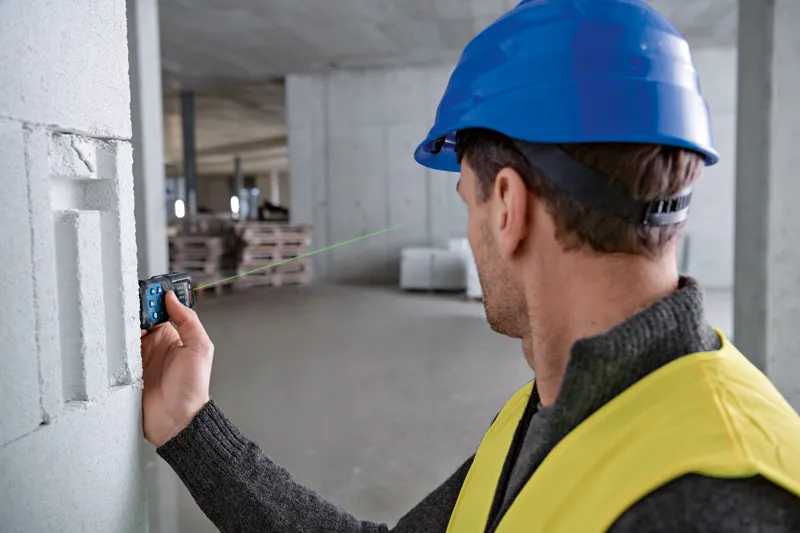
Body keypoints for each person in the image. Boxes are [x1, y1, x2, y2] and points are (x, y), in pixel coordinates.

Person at [141, 1, 800, 531]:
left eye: (467, 199)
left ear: (508, 205)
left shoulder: (716, 504)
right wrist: (189, 424)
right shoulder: (550, 410)